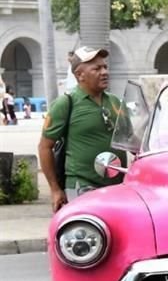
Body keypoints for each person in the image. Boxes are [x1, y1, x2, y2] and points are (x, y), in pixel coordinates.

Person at [38, 46, 126, 212]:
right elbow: (44, 147)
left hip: (118, 188)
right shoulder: (65, 104)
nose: (104, 72)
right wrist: (55, 190)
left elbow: (132, 141)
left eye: (105, 67)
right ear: (80, 75)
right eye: (97, 68)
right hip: (82, 187)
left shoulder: (116, 102)